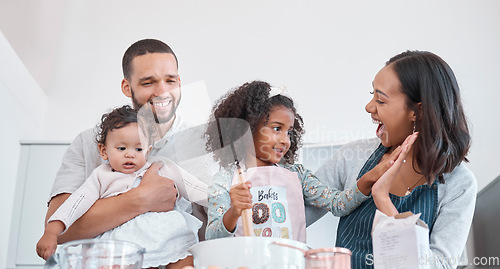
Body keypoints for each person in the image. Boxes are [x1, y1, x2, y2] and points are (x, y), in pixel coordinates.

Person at [315, 50, 476, 269]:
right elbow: (293, 211)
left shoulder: (459, 183)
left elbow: (439, 265)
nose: (369, 107)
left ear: (417, 111)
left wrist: (384, 202)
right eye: (372, 95)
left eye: (380, 100)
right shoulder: (352, 156)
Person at [45, 39, 215, 245]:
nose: (162, 91)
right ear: (127, 87)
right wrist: (142, 198)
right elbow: (58, 231)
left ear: (179, 82)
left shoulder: (205, 143)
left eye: (170, 81)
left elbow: (223, 218)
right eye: (148, 82)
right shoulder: (88, 143)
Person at [203, 81, 411, 242]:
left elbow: (338, 204)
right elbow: (212, 237)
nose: (285, 140)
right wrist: (234, 212)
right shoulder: (225, 181)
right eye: (277, 128)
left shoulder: (296, 175)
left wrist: (373, 175)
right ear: (247, 128)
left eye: (289, 131)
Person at [37, 105, 203, 268]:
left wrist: (221, 198)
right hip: (124, 241)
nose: (130, 154)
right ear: (103, 151)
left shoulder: (160, 166)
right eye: (122, 148)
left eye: (139, 148)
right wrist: (52, 231)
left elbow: (194, 187)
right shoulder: (102, 176)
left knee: (182, 253)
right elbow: (75, 204)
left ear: (148, 150)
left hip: (164, 231)